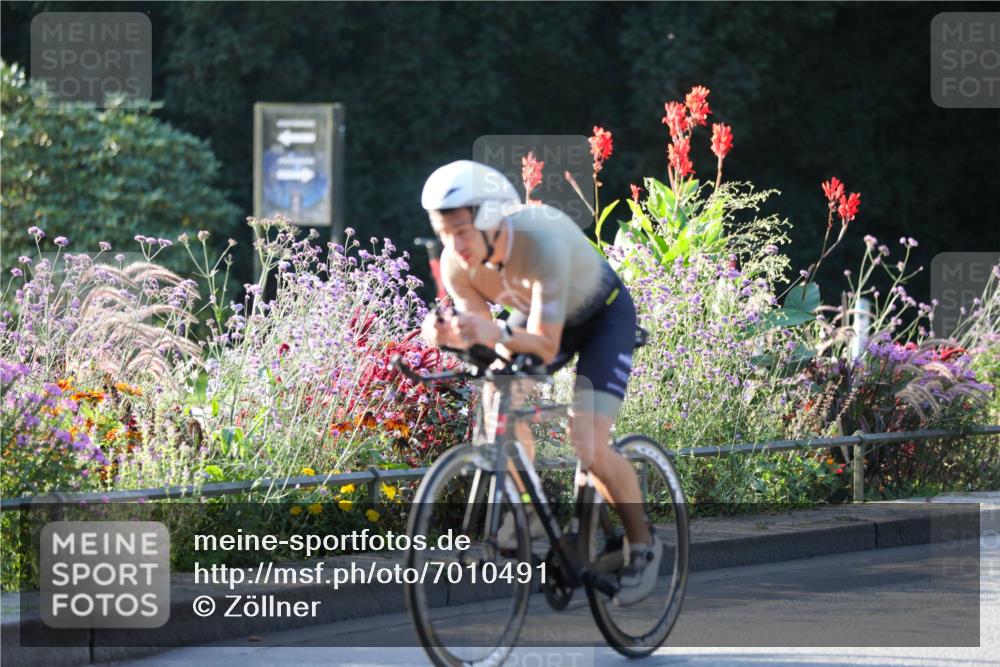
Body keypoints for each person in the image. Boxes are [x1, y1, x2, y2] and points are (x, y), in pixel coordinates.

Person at [418, 159, 661, 606]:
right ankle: (526, 514)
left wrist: (495, 333)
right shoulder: (458, 264)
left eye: (462, 231)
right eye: (444, 232)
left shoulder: (542, 239)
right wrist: (451, 337)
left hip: (600, 318)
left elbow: (546, 347)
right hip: (537, 318)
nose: (454, 244)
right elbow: (485, 342)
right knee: (498, 399)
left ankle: (642, 544)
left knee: (587, 440)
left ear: (491, 220)